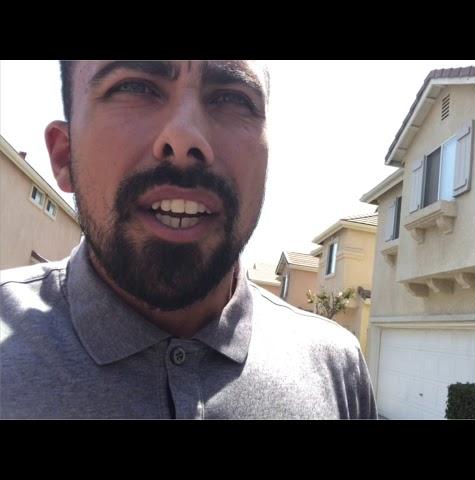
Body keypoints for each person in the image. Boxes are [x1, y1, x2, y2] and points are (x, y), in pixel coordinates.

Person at [0, 60, 377, 419]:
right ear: (64, 155)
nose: (184, 137)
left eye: (232, 98)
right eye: (135, 87)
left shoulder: (336, 368)